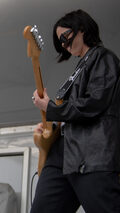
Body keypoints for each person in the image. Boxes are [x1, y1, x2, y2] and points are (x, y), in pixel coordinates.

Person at [30, 9, 120, 213]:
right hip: (62, 154)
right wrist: (53, 123)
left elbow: (94, 104)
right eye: (60, 42)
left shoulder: (104, 58)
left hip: (91, 155)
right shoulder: (81, 66)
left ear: (82, 28)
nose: (64, 44)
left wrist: (51, 109)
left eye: (65, 37)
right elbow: (72, 111)